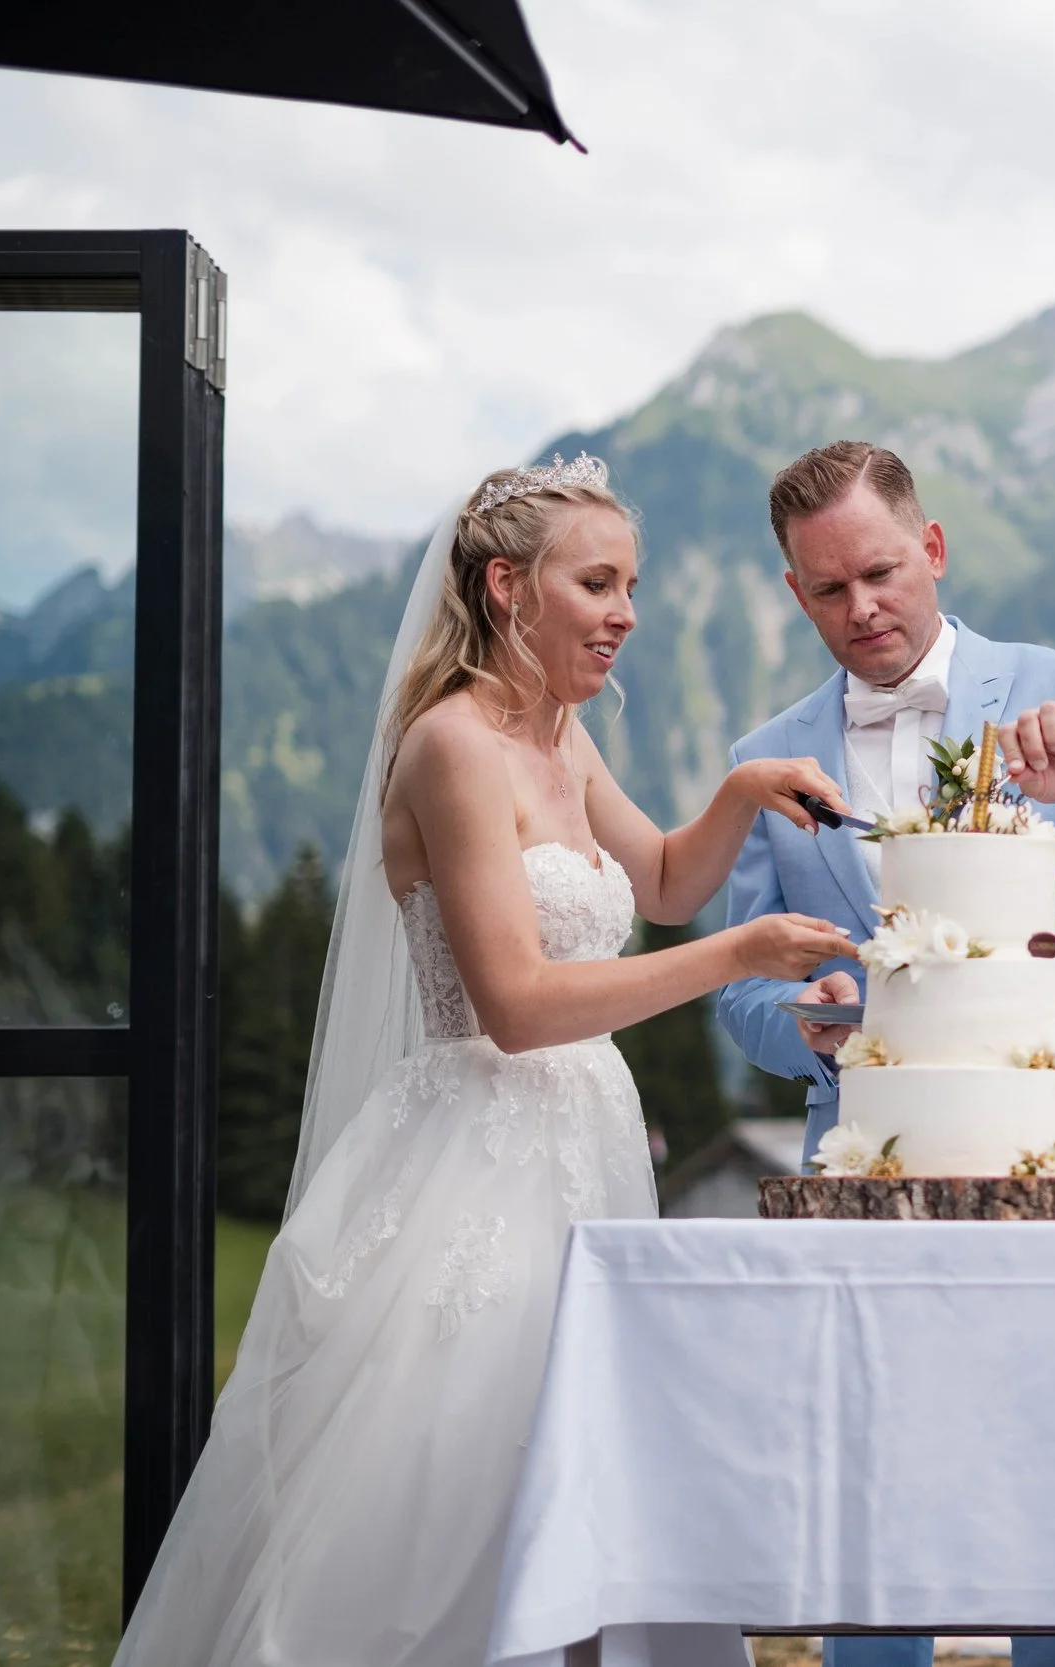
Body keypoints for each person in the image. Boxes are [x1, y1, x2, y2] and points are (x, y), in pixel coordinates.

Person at [112, 456, 857, 1667]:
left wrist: (740, 792)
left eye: (631, 585)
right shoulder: (453, 745)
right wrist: (739, 955)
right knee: (468, 1483)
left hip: (588, 1149)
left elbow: (665, 881)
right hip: (478, 1167)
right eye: (597, 583)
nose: (626, 612)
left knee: (585, 1486)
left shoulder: (561, 737)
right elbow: (512, 1003)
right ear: (509, 587)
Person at [717, 441, 1055, 1667]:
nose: (861, 608)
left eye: (880, 572)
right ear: (795, 592)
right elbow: (738, 995)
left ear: (933, 548)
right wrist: (805, 1016)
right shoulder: (771, 754)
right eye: (827, 589)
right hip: (873, 1163)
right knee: (878, 1484)